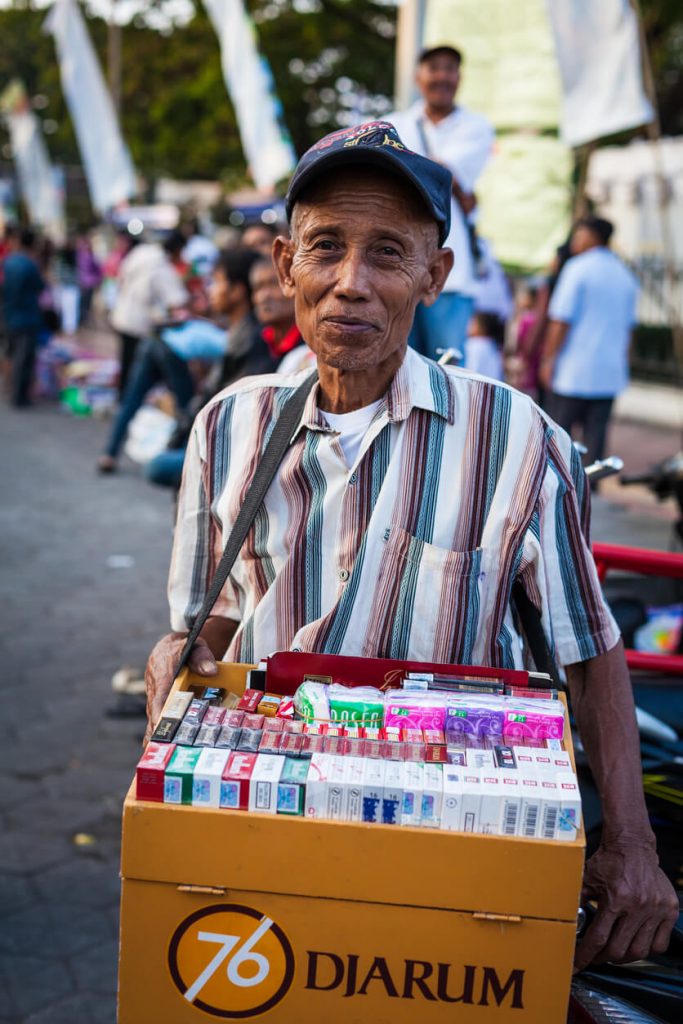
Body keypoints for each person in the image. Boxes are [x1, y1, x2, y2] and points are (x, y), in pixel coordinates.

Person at [145, 121, 677, 971]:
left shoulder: (515, 435)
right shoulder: (227, 428)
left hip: (458, 846)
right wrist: (176, 655)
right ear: (284, 265)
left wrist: (631, 847)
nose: (350, 283)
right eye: (326, 247)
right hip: (269, 830)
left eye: (387, 254)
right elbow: (203, 628)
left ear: (434, 276)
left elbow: (589, 651)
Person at [389, 45, 494, 359]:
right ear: (417, 77)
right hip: (396, 264)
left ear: (459, 77)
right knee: (394, 362)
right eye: (434, 68)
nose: (442, 76)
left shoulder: (476, 127)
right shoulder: (395, 123)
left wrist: (400, 163)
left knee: (446, 366)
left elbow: (439, 174)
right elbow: (436, 171)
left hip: (451, 267)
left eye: (450, 68)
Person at [144, 248, 276, 490]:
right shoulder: (237, 334)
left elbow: (231, 410)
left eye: (216, 282)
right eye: (260, 288)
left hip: (224, 447)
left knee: (158, 465)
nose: (210, 290)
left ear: (236, 291)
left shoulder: (253, 340)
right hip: (211, 437)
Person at [540, 217, 639, 468]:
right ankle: (591, 490)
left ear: (592, 236)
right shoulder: (625, 274)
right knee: (597, 435)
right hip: (609, 372)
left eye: (578, 234)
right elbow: (629, 330)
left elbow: (560, 321)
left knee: (559, 435)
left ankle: (556, 485)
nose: (575, 240)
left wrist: (548, 359)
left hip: (574, 370)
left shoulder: (577, 268)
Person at [110, 231, 189, 400]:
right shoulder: (162, 266)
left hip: (123, 313)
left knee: (126, 361)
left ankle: (123, 398)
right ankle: (128, 399)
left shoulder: (142, 252)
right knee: (135, 369)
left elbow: (120, 277)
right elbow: (178, 300)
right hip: (139, 322)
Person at [1, 227, 45, 407]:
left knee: (10, 353)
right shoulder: (29, 264)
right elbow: (40, 286)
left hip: (8, 314)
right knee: (23, 357)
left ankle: (9, 389)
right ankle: (19, 396)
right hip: (26, 316)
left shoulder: (7, 261)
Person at [463, 311, 504, 380]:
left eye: (472, 324)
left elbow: (471, 370)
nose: (468, 326)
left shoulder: (475, 344)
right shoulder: (493, 344)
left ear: (483, 328)